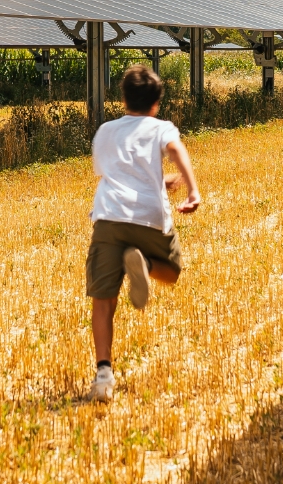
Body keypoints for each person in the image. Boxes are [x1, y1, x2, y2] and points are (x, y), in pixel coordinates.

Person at [85, 64, 202, 403]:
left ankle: (103, 374)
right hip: (148, 216)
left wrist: (153, 178)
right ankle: (146, 267)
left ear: (123, 99)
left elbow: (116, 172)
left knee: (103, 300)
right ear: (156, 104)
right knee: (172, 271)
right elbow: (175, 149)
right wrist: (191, 189)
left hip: (109, 216)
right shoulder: (160, 127)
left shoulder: (105, 131)